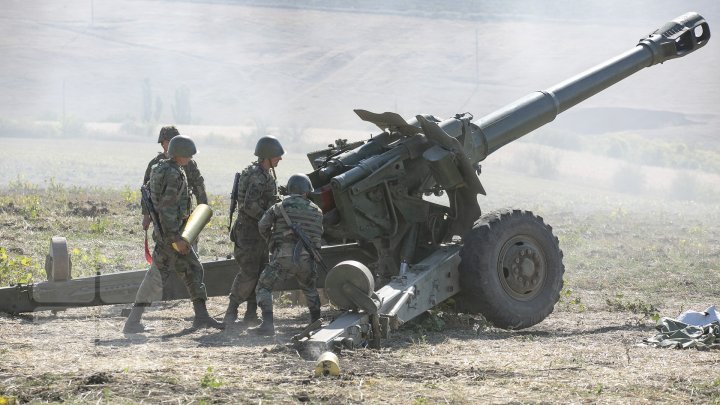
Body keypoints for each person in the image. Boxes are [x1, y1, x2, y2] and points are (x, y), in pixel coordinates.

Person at [124, 135, 224, 333]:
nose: (190, 158)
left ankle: (133, 321)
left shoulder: (161, 168)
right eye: (188, 155)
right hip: (172, 236)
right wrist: (176, 239)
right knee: (192, 270)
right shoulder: (174, 174)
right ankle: (201, 317)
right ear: (180, 155)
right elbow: (167, 208)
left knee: (161, 276)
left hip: (165, 236)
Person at [250, 173, 323, 336]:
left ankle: (268, 325)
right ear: (306, 191)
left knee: (263, 286)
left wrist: (272, 242)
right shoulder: (317, 211)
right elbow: (317, 238)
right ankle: (316, 322)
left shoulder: (279, 207)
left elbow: (262, 225)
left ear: (290, 189)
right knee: (310, 290)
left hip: (283, 258)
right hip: (307, 259)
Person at [223, 136, 284, 326]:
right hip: (250, 233)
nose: (279, 159)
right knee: (249, 272)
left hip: (257, 232)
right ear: (267, 156)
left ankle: (250, 313)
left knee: (259, 272)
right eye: (276, 156)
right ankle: (231, 312)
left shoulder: (260, 173)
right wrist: (268, 217)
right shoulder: (258, 176)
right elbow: (249, 205)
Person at [142, 126, 207, 232]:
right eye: (169, 140)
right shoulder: (155, 164)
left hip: (184, 212)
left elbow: (199, 186)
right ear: (162, 143)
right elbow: (146, 190)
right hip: (161, 215)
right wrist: (146, 215)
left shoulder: (188, 162)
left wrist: (203, 210)